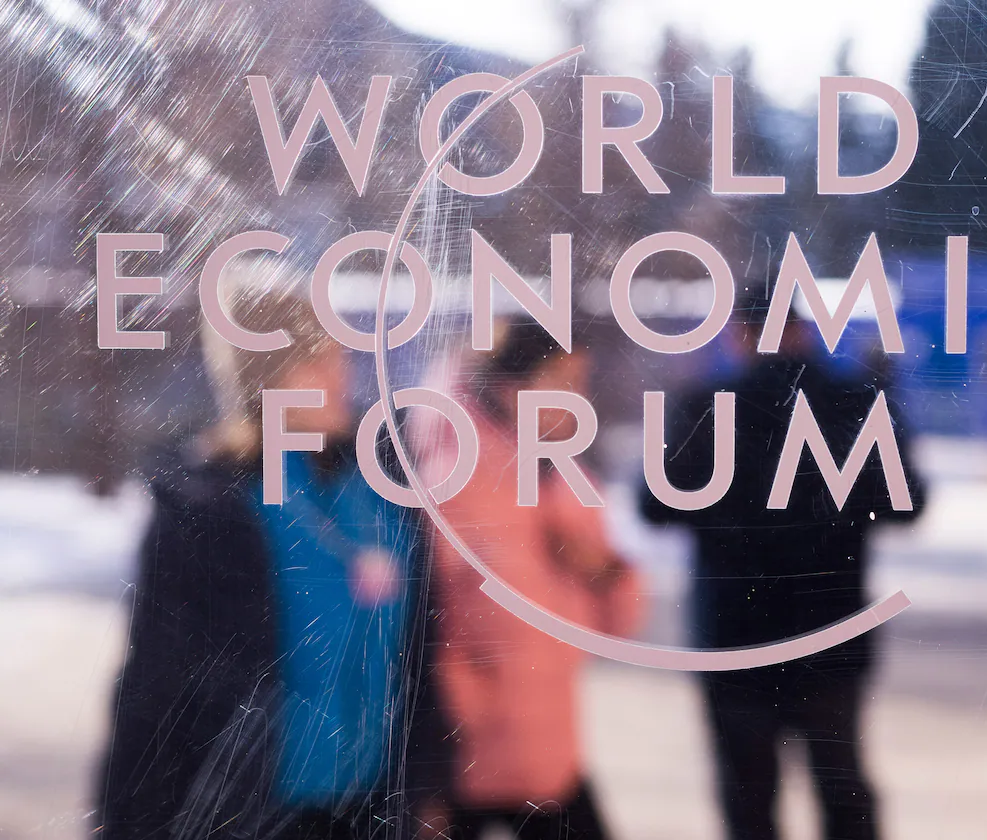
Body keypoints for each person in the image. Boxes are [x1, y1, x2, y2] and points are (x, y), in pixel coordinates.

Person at [94, 288, 450, 840]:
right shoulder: (208, 509)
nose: (340, 376)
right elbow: (154, 685)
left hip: (372, 812)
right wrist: (127, 824)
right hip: (253, 815)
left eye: (340, 355)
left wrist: (428, 788)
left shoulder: (383, 490)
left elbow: (421, 657)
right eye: (314, 360)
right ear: (264, 380)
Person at [640, 303, 928, 840]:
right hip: (830, 629)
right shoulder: (856, 401)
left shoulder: (706, 404)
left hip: (734, 634)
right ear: (802, 330)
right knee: (842, 789)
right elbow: (908, 502)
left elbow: (653, 504)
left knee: (748, 797)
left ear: (739, 333)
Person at [422, 320, 643, 840]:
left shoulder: (562, 477)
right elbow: (438, 629)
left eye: (581, 381)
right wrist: (462, 723)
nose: (578, 399)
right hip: (472, 751)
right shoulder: (453, 477)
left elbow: (619, 624)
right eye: (562, 381)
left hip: (546, 742)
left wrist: (604, 569)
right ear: (511, 389)